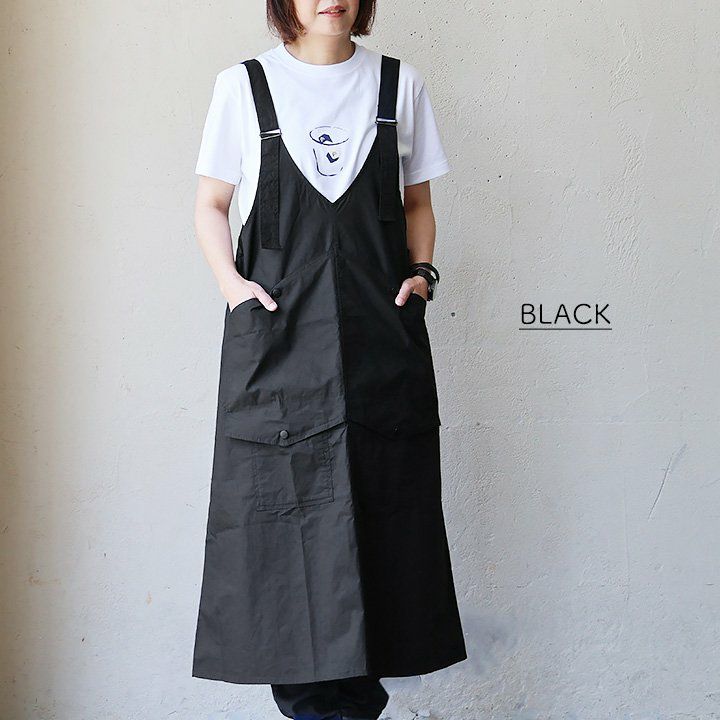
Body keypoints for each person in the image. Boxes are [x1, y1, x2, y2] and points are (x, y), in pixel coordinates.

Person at [191, 2, 467, 718]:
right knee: (283, 533)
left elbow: (417, 202)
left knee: (383, 519)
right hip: (279, 342)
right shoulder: (244, 86)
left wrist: (422, 274)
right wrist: (234, 289)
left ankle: (353, 705)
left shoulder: (398, 85)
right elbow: (211, 203)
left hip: (380, 341)